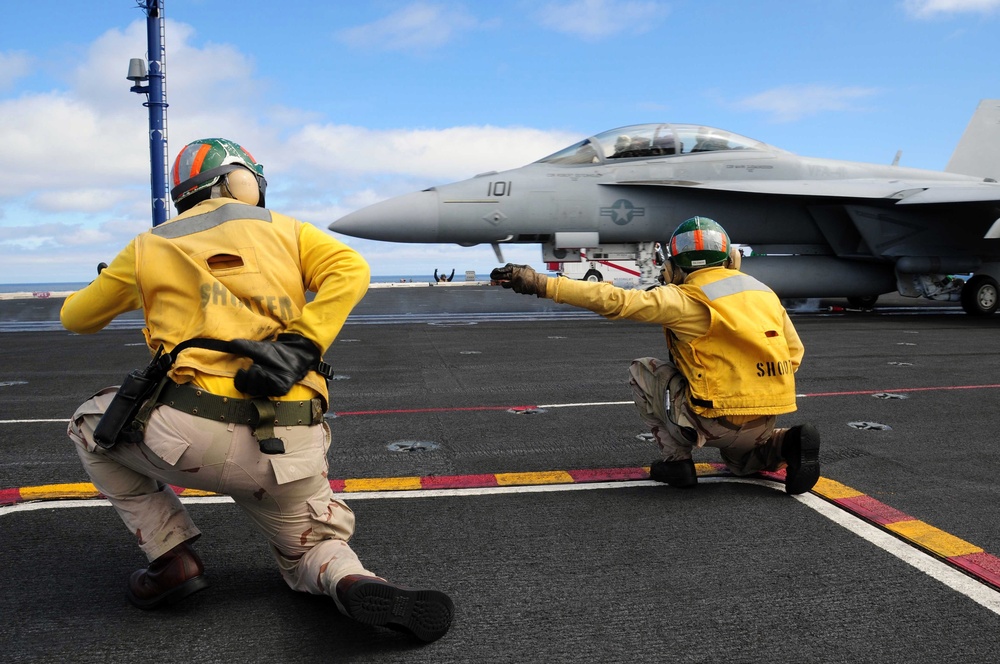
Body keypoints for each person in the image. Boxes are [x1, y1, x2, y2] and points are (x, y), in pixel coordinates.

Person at [61, 138, 453, 642]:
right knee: (312, 547)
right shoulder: (288, 231)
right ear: (238, 179)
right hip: (289, 448)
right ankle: (351, 580)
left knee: (88, 425)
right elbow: (351, 269)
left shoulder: (148, 246)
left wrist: (115, 281)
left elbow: (76, 318)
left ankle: (171, 558)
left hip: (187, 439)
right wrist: (301, 345)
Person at [490, 216, 820, 494]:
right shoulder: (764, 293)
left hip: (713, 421)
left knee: (643, 369)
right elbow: (794, 354)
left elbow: (616, 301)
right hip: (766, 416)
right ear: (731, 258)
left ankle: (677, 463)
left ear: (675, 267)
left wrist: (538, 282)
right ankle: (787, 441)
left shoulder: (684, 298)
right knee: (740, 464)